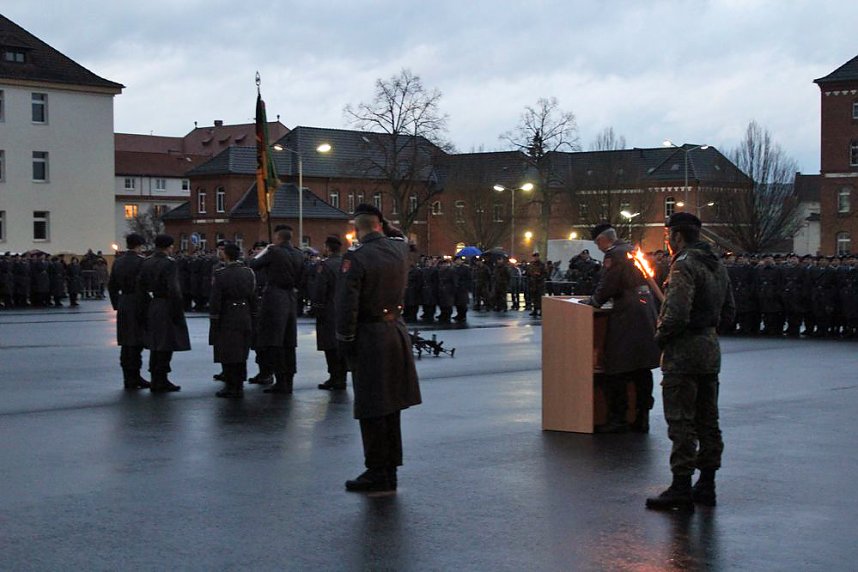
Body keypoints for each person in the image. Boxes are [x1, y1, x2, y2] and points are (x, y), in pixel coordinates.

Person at [646, 213, 735, 511]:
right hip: (709, 349)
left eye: (669, 237)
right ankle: (706, 483)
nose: (669, 243)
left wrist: (661, 336)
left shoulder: (684, 265)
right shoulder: (717, 264)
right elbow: (730, 310)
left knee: (682, 421)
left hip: (683, 352)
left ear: (677, 237)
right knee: (708, 420)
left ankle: (681, 486)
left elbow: (676, 313)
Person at [336, 204, 422, 493]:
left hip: (369, 335)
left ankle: (376, 470)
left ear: (356, 228)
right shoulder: (398, 250)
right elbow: (398, 236)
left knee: (372, 405)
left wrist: (344, 339)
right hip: (395, 331)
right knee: (391, 408)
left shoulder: (356, 258)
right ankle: (390, 469)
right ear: (380, 225)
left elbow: (348, 304)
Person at [585, 223, 660, 433]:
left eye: (597, 243)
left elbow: (608, 284)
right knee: (642, 368)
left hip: (628, 312)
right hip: (645, 308)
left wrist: (594, 301)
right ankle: (642, 416)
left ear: (601, 240)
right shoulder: (631, 250)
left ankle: (618, 417)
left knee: (615, 367)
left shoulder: (614, 255)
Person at [248, 225, 305, 394]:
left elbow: (253, 264)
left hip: (274, 297)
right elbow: (301, 278)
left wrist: (265, 249)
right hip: (291, 298)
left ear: (278, 237)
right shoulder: (299, 253)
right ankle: (289, 379)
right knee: (289, 342)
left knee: (275, 341)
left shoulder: (273, 252)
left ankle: (280, 381)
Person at [137, 234, 190, 393]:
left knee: (155, 344)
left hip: (152, 304)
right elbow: (173, 288)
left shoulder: (146, 262)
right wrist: (178, 310)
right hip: (166, 304)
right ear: (168, 246)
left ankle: (155, 378)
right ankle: (162, 379)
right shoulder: (169, 264)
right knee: (166, 344)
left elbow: (140, 286)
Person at [208, 242, 257, 398]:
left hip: (227, 313)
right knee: (242, 350)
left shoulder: (221, 274)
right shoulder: (248, 272)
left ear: (226, 255)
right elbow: (253, 296)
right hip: (244, 312)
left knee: (228, 350)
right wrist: (254, 314)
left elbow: (216, 299)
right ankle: (239, 383)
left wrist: (214, 318)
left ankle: (231, 385)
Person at [108, 233, 151, 390]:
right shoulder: (142, 262)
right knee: (137, 342)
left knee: (126, 342)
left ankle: (128, 377)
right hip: (138, 302)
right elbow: (147, 284)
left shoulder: (118, 262)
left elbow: (112, 285)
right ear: (139, 246)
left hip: (124, 302)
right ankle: (135, 376)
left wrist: (117, 304)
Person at [313, 235, 348, 391]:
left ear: (327, 248)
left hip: (329, 309)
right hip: (345, 308)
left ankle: (335, 377)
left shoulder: (325, 265)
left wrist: (316, 306)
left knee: (330, 345)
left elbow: (320, 288)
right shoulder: (347, 263)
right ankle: (342, 377)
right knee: (342, 344)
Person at [527, 252, 546, 317]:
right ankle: (535, 310)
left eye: (536, 256)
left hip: (539, 283)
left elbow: (545, 273)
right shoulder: (531, 264)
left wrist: (539, 276)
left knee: (540, 297)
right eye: (534, 256)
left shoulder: (542, 264)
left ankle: (541, 311)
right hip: (533, 283)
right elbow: (528, 272)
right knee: (534, 297)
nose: (535, 258)